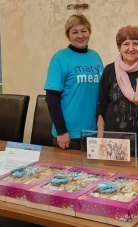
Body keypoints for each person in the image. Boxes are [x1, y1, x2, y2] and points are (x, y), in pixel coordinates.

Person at [44, 14, 103, 150]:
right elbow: (51, 98)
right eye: (75, 32)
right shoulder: (60, 58)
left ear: (89, 32)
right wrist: (61, 131)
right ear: (68, 35)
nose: (80, 35)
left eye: (84, 31)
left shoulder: (95, 56)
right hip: (69, 134)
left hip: (94, 131)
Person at [97, 25, 138, 158]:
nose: (131, 48)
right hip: (114, 140)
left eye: (135, 43)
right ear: (119, 47)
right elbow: (102, 107)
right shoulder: (109, 70)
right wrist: (100, 139)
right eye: (126, 44)